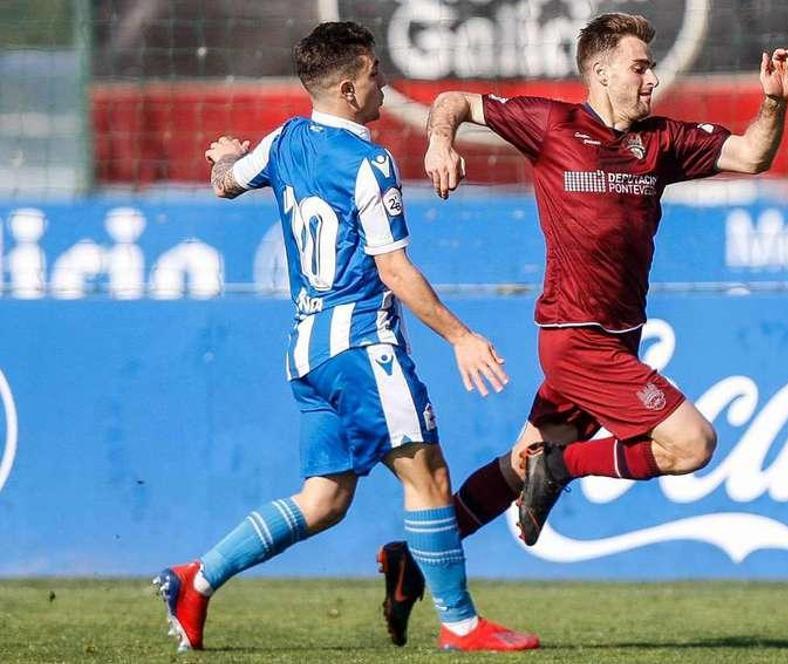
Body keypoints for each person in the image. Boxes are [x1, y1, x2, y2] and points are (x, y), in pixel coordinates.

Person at [379, 10, 788, 641]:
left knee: (518, 464)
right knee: (692, 444)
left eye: (651, 66)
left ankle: (411, 559)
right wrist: (441, 140)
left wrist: (772, 103)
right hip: (574, 337)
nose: (652, 78)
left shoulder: (661, 140)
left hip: (617, 336)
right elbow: (453, 99)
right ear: (600, 72)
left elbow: (752, 155)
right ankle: (566, 467)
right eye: (640, 66)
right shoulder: (553, 124)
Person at [151, 21, 538, 653]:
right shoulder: (368, 161)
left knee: (324, 500)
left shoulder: (284, 139)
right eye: (377, 72)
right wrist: (461, 337)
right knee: (429, 478)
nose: (385, 81)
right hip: (361, 345)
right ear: (351, 87)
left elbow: (225, 182)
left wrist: (223, 157)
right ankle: (462, 624)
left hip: (307, 351)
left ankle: (195, 580)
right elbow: (393, 268)